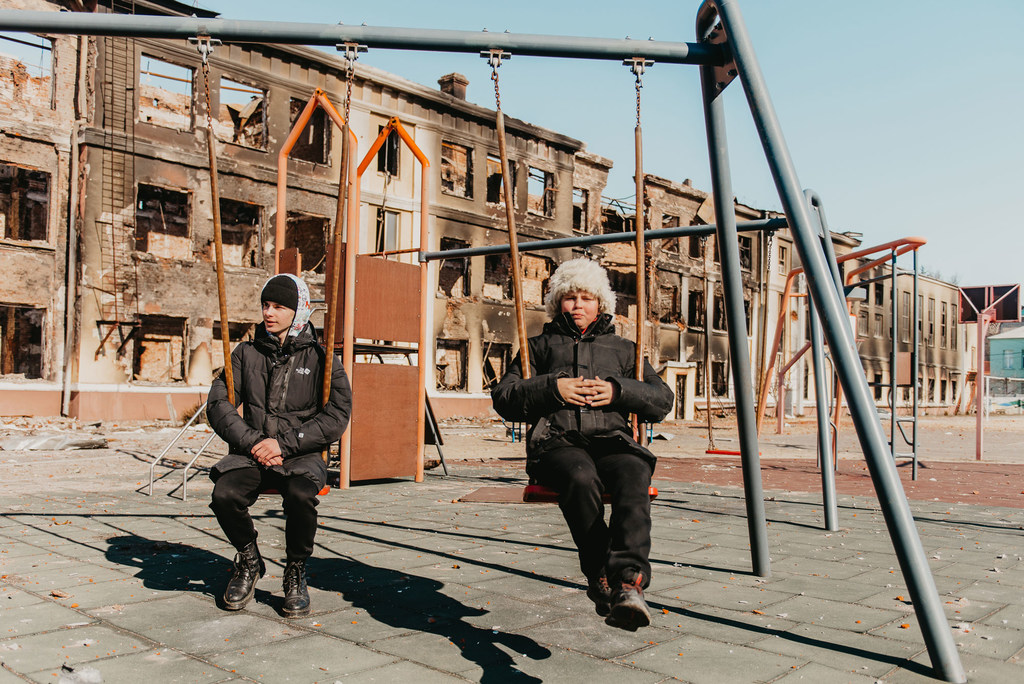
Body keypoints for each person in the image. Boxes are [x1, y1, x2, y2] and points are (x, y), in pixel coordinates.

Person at [492, 258, 673, 631]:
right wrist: (551, 387)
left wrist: (618, 390)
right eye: (569, 297)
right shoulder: (538, 348)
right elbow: (504, 397)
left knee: (634, 472)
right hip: (558, 443)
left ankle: (629, 583)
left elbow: (661, 400)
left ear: (600, 303)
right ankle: (599, 573)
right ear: (557, 302)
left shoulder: (623, 350)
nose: (577, 305)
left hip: (611, 439)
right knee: (579, 476)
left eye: (586, 298)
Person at [207, 273, 351, 617]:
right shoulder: (245, 354)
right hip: (251, 453)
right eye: (265, 305)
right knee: (223, 496)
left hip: (300, 456)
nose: (269, 313)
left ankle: (296, 570)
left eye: (278, 306)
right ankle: (249, 560)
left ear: (299, 310)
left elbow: (338, 414)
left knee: (301, 496)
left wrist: (284, 444)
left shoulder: (322, 358)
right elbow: (219, 403)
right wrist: (255, 441)